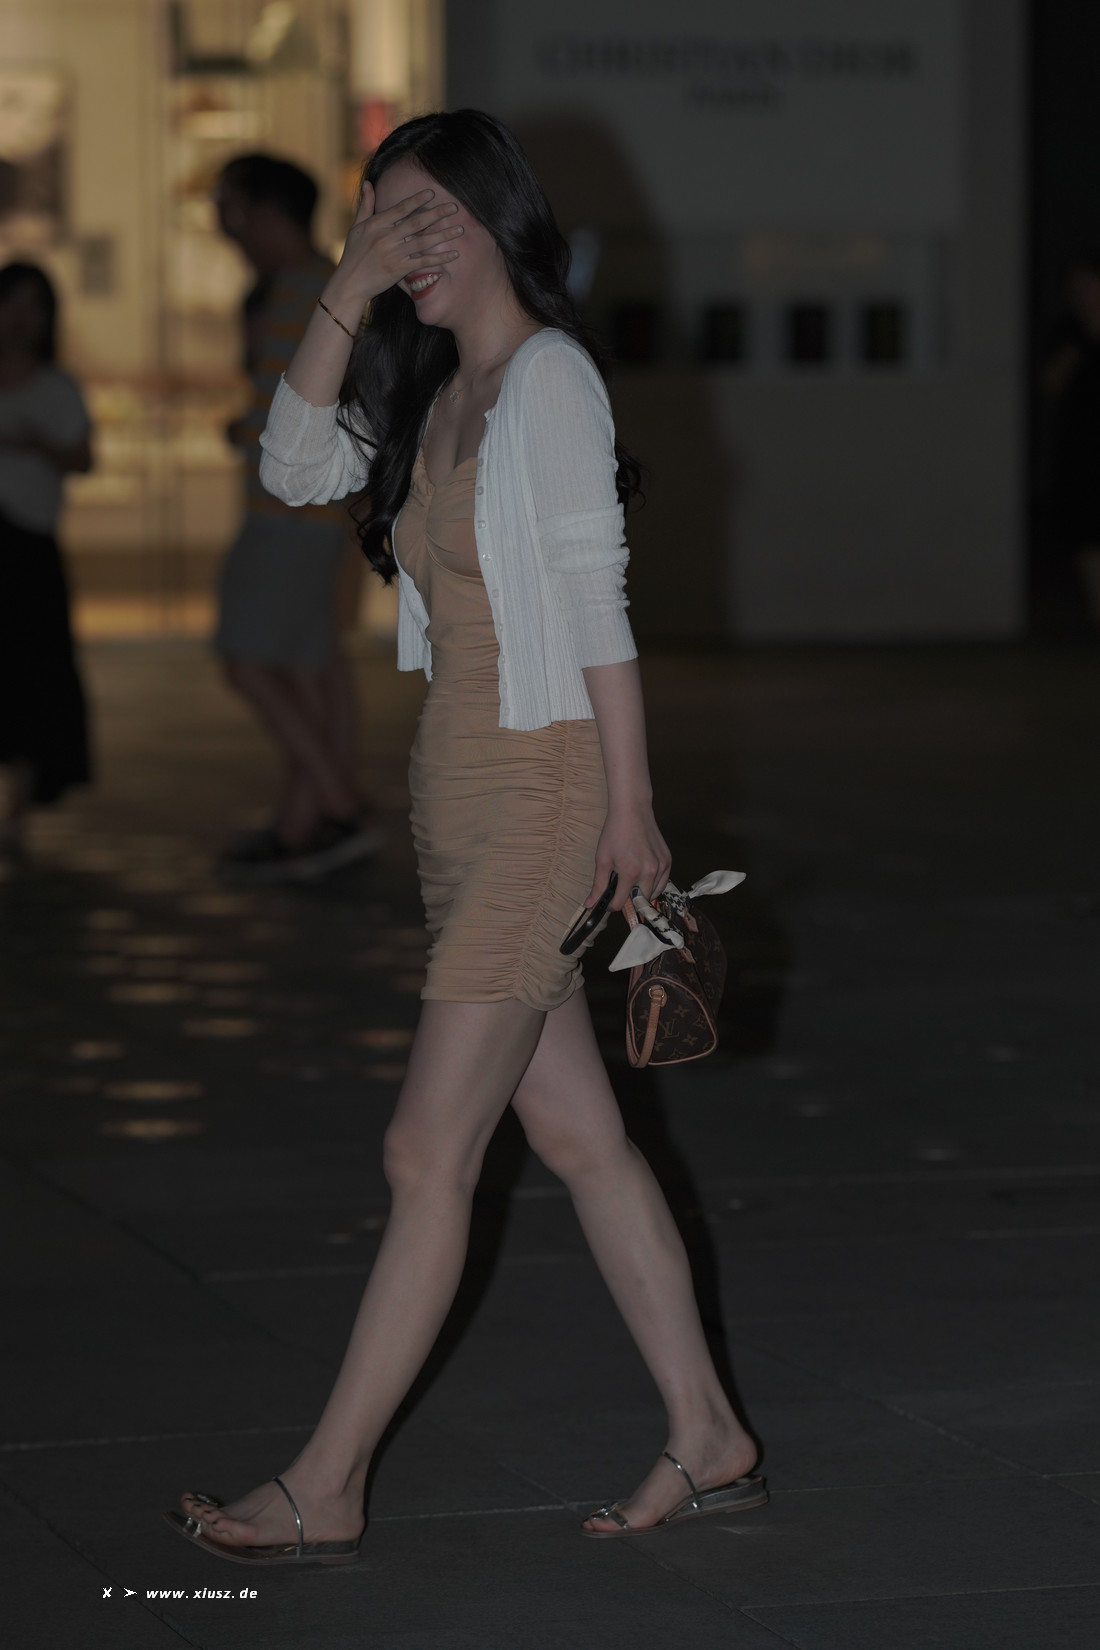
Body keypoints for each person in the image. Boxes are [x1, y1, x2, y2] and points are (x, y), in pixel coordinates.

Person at [166, 110, 764, 1566]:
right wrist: (350, 282)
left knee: (424, 1149)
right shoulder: (437, 385)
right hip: (458, 796)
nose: (402, 243)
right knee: (576, 1133)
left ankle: (326, 1482)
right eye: (381, 217)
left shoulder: (548, 378)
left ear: (495, 218)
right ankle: (708, 1432)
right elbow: (291, 467)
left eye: (422, 216)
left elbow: (600, 604)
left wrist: (632, 808)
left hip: (544, 794)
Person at [213, 153, 381, 881]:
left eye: (227, 204)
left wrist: (249, 430)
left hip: (291, 513)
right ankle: (303, 820)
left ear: (260, 210)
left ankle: (338, 808)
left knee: (249, 662)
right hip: (307, 512)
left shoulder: (314, 289)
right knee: (313, 669)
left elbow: (320, 405)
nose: (221, 221)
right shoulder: (294, 288)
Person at [0, 262, 92, 857]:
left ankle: (15, 813)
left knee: (29, 679)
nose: (20, 319)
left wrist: (38, 445)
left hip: (28, 549)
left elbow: (83, 458)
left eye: (33, 306)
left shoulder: (57, 387)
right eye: (11, 303)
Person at [1044, 251, 1100, 629]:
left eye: (1090, 285)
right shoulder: (1069, 332)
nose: (1084, 295)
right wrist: (1072, 354)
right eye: (1076, 288)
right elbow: (1049, 384)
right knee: (1088, 530)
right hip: (1083, 443)